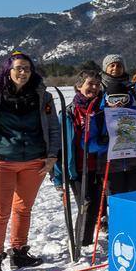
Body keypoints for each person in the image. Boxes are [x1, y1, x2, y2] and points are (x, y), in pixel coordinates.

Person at [0, 52, 61, 271]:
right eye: (19, 68)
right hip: (1, 160)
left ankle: (19, 252)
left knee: (23, 209)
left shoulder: (43, 96)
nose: (23, 72)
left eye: (27, 69)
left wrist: (52, 156)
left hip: (34, 161)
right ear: (8, 71)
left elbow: (53, 128)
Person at [52, 70, 104, 249]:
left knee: (96, 204)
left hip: (98, 166)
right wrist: (58, 175)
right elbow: (59, 147)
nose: (94, 87)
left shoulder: (103, 109)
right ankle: (80, 242)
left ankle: (87, 241)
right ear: (79, 86)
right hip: (76, 168)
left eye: (97, 84)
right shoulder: (68, 113)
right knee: (86, 203)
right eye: (90, 83)